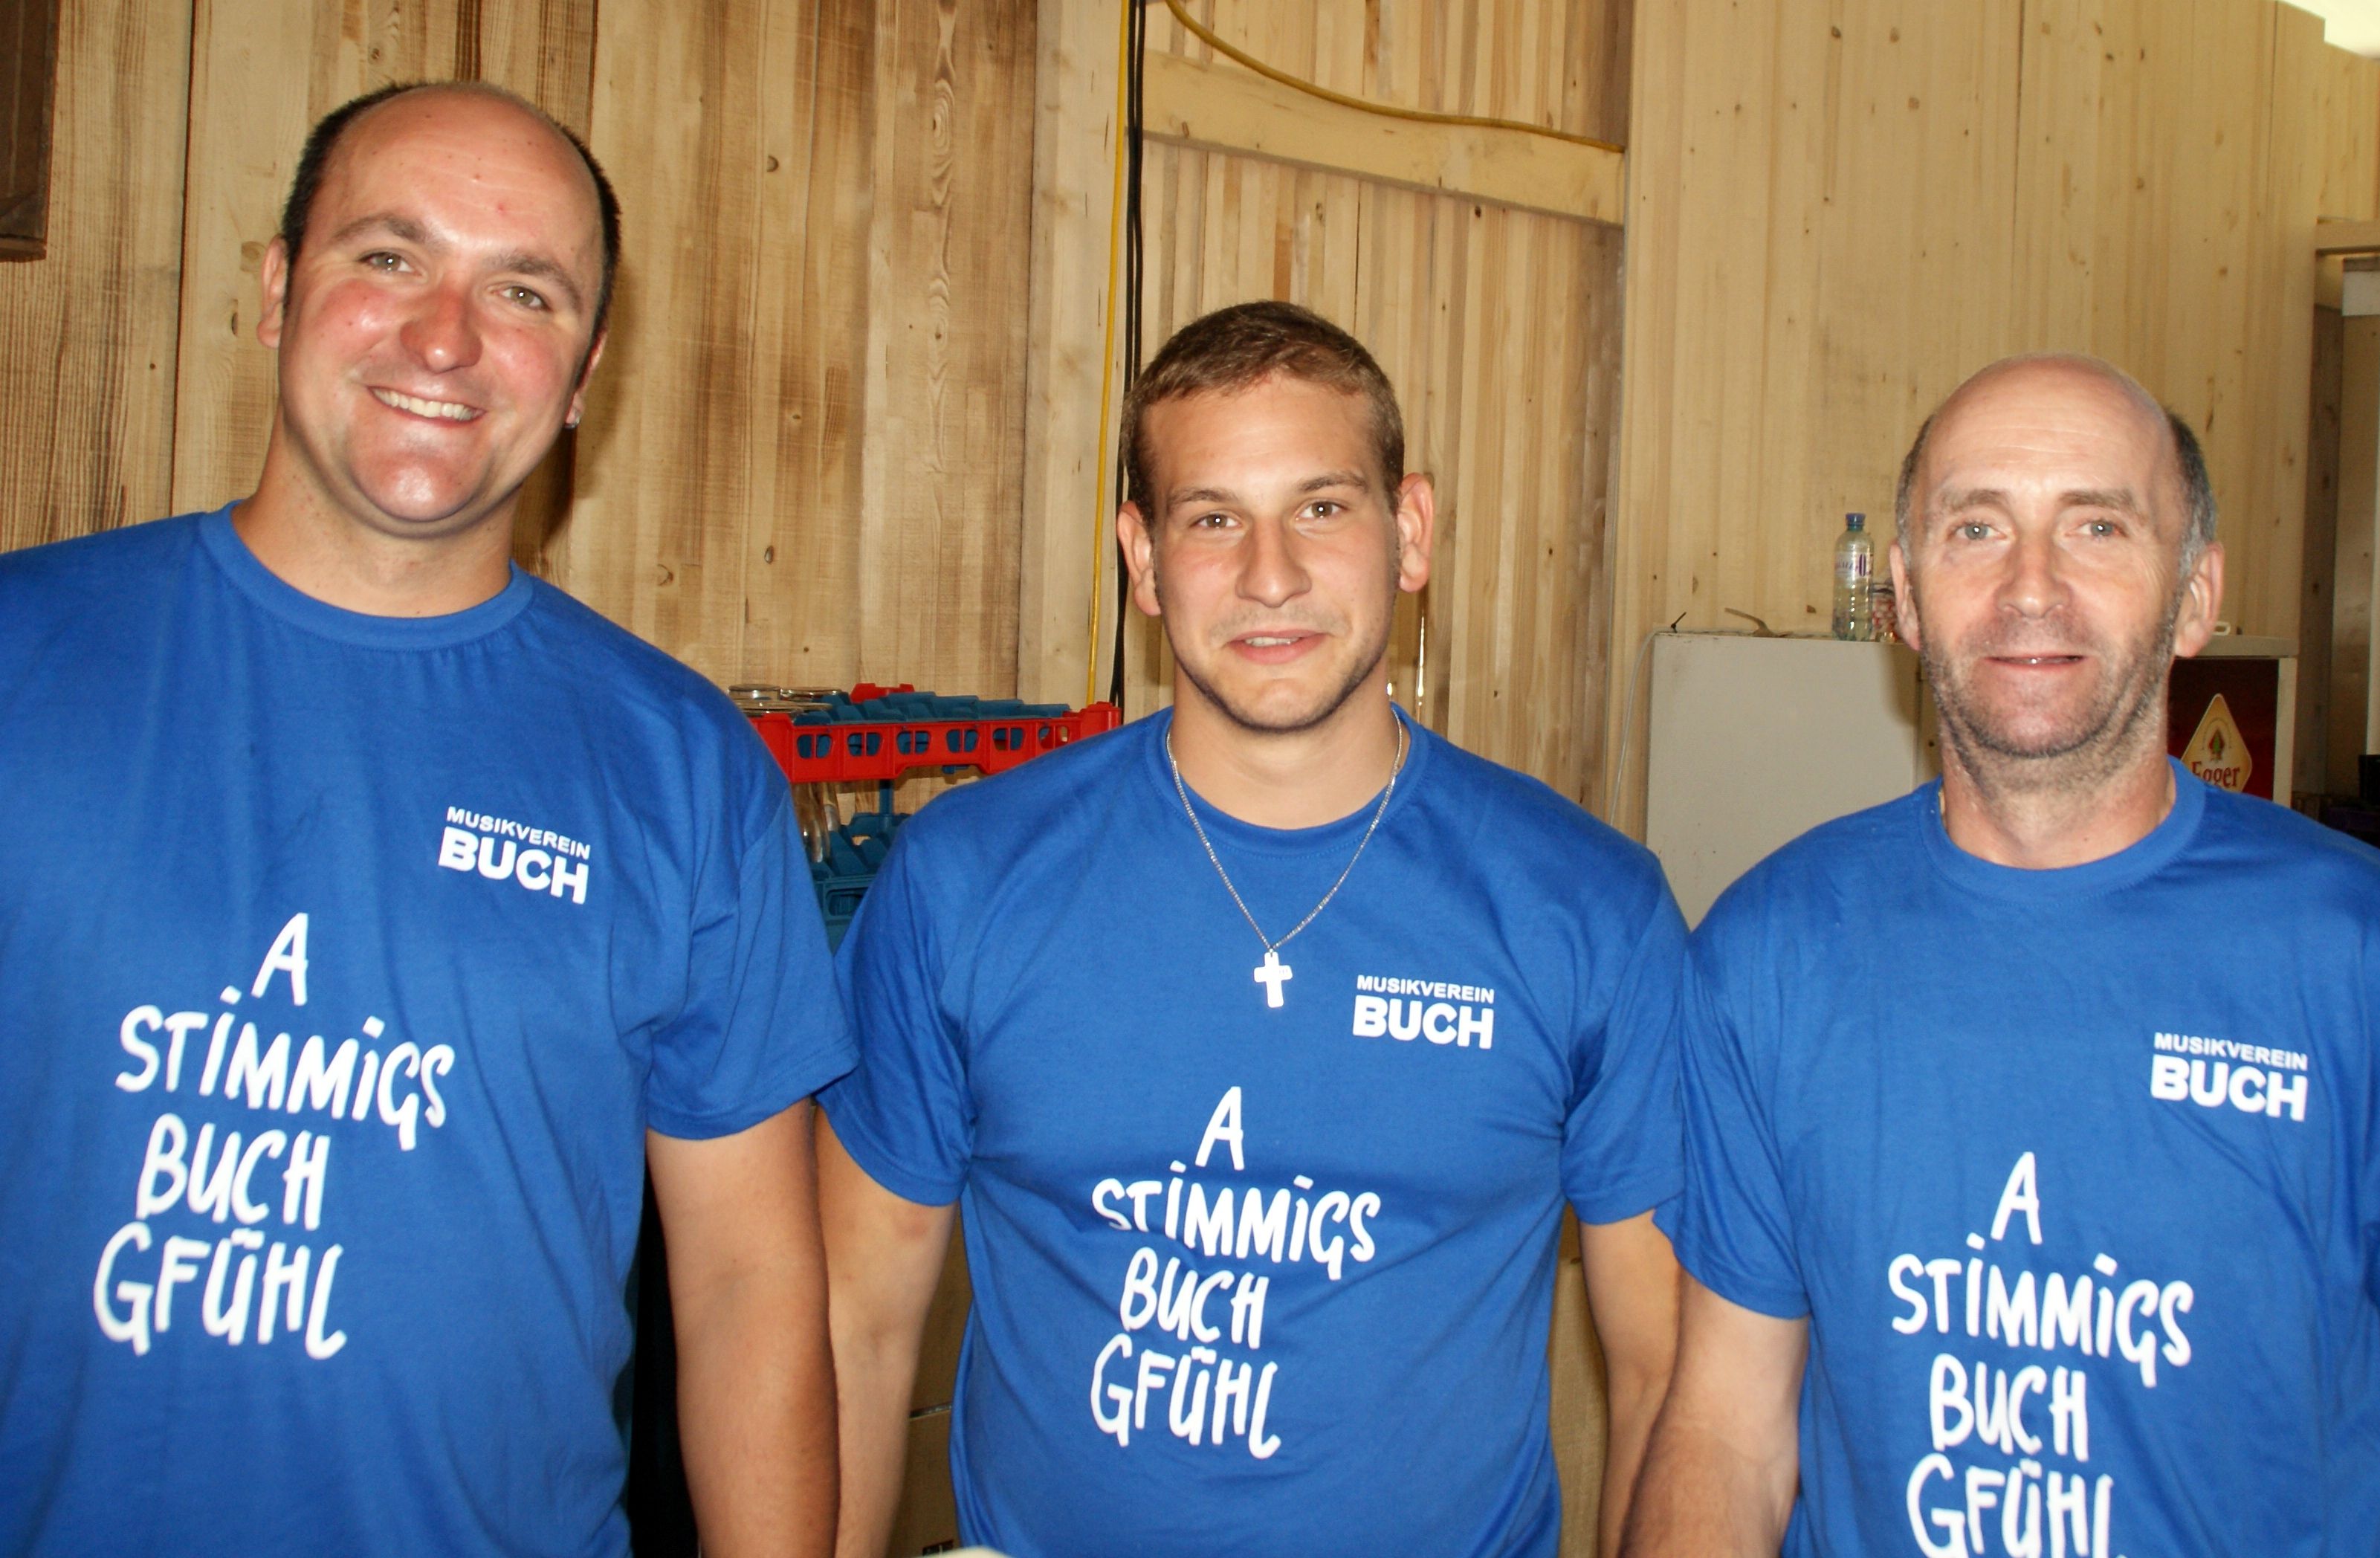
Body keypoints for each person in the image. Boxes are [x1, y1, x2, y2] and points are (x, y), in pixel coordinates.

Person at [0, 83, 846, 1555]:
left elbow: (746, 1285)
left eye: (523, 291)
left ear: (582, 373)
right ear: (279, 290)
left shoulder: (683, 767)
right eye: (389, 256)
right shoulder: (24, 662)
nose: (445, 337)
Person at [818, 300, 1687, 1557]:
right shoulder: (964, 879)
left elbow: (1663, 1380)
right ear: (1141, 558)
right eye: (1212, 518)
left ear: (1410, 531)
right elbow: (850, 1327)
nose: (1269, 575)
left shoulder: (1586, 910)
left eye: (1321, 507)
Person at [1623, 354, 2380, 1557]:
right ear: (1904, 595)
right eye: (1975, 528)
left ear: (2194, 597)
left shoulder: (2370, 958)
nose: (2030, 586)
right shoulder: (1770, 951)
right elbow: (1727, 1433)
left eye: (2096, 526)